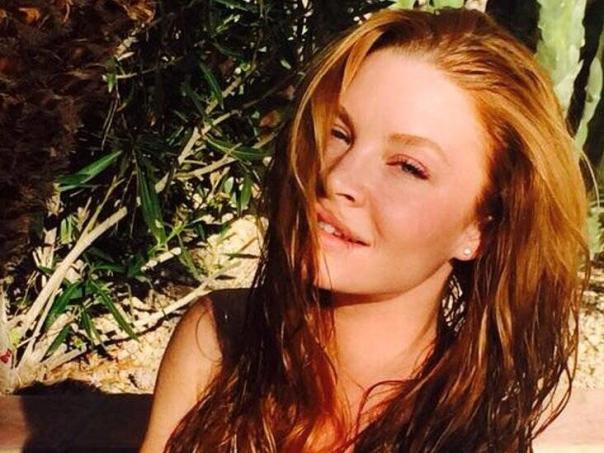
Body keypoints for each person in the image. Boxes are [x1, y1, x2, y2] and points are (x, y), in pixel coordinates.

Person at [140, 7, 591, 452]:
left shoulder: (476, 436)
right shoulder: (221, 342)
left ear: (480, 229)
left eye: (408, 167)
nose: (337, 177)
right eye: (338, 133)